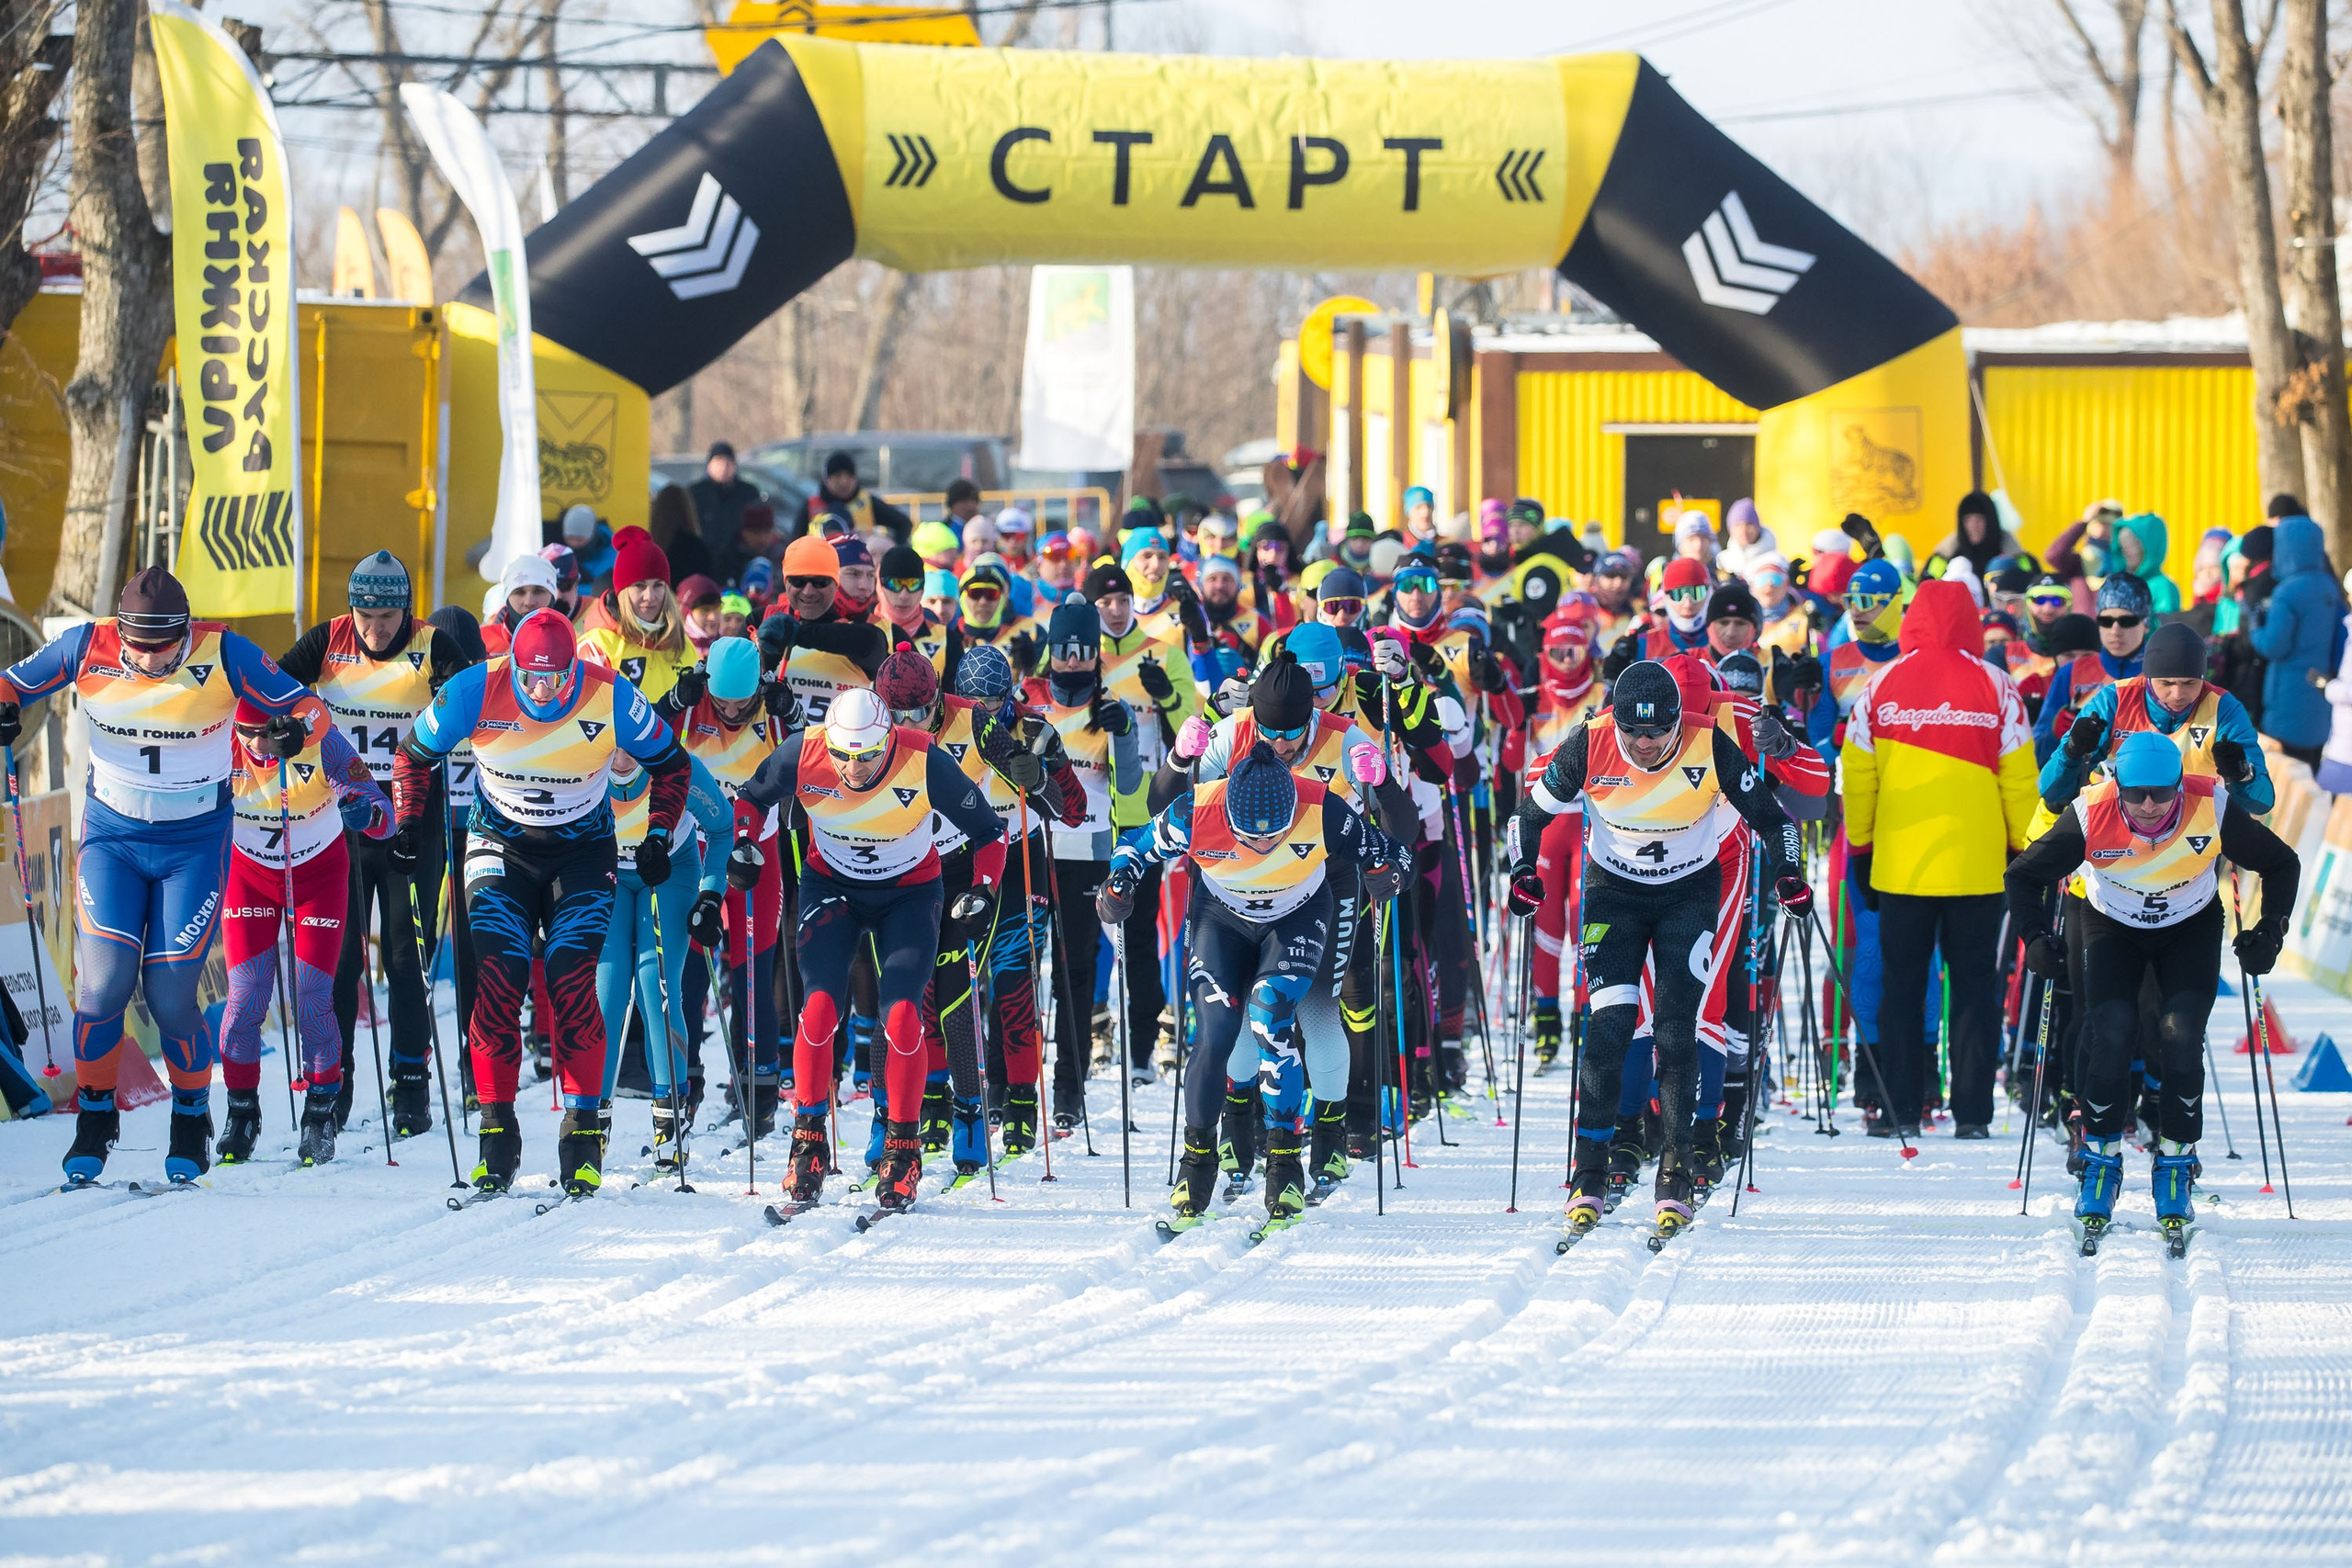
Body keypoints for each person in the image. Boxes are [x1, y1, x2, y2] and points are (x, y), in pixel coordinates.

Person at [0, 569, 327, 1186]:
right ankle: (95, 1117)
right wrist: (6, 706)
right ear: (121, 632)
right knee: (102, 991)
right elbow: (10, 682)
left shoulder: (224, 652)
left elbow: (309, 708)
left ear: (185, 631)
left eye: (166, 647)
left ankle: (191, 1113)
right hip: (113, 839)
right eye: (139, 647)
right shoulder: (87, 644)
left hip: (193, 845)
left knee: (172, 996)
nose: (152, 660)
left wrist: (295, 730)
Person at [392, 607, 691, 1198]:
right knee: (500, 978)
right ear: (514, 668)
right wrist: (407, 823)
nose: (543, 691)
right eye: (531, 678)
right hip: (499, 846)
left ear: (574, 670)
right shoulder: (475, 688)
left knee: (571, 978)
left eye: (556, 679)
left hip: (582, 852)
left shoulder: (611, 695)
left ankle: (583, 1135)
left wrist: (658, 834)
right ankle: (496, 1135)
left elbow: (673, 765)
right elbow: (412, 756)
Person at [1506, 660, 1807, 1243]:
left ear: (1678, 722)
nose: (1644, 744)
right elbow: (1527, 818)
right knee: (1610, 1027)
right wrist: (1523, 873)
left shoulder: (1708, 743)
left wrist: (1790, 875)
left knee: (1674, 1030)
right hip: (1614, 895)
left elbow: (1778, 822)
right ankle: (1589, 1172)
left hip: (1687, 897)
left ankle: (1676, 1174)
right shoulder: (1590, 742)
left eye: (1658, 731)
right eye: (1633, 732)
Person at [2006, 730, 2299, 1250]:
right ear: (2117, 785)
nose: (2147, 805)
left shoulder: (2211, 804)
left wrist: (2270, 931)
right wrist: (2035, 938)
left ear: (2178, 786)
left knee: (2180, 1035)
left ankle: (2176, 1163)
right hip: (2112, 924)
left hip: (2189, 926)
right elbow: (2023, 876)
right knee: (2112, 1031)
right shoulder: (2090, 811)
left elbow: (2281, 863)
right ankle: (2100, 1160)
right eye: (2136, 793)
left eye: (2160, 794)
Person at [1104, 739, 1408, 1233]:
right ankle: (1195, 1166)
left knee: (1271, 1016)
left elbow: (1394, 851)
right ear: (1229, 814)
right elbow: (1132, 845)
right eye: (1250, 837)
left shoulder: (1320, 806)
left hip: (1297, 915)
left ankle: (1284, 1168)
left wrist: (1389, 876)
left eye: (1276, 835)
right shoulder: (1196, 810)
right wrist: (1117, 886)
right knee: (1216, 1033)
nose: (1264, 845)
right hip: (1221, 917)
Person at [730, 688, 1005, 1212]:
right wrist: (745, 842)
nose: (854, 769)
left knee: (901, 1016)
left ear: (890, 740)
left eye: (869, 756)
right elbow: (750, 797)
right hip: (831, 887)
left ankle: (903, 1147)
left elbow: (991, 832)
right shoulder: (803, 751)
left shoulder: (923, 758)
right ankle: (808, 1141)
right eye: (843, 756)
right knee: (818, 1009)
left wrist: (984, 890)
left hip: (909, 894)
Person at [274, 552, 471, 1134]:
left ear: (405, 610)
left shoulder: (432, 644)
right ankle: (334, 1086)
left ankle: (411, 1084)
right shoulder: (327, 640)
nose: (375, 630)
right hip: (340, 825)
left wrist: (450, 697)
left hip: (412, 825)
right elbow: (272, 689)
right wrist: (285, 726)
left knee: (407, 960)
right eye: (366, 617)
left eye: (387, 617)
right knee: (338, 964)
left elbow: (471, 699)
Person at [1840, 579, 2039, 1139]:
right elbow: (2020, 781)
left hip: (1901, 866)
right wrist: (2025, 851)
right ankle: (1972, 1114)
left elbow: (1858, 777)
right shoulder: (1998, 685)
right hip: (1979, 868)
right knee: (1976, 989)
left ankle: (1901, 1107)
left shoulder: (1881, 684)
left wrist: (1862, 848)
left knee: (1902, 988)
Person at [214, 702, 391, 1168]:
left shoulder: (319, 740)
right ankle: (241, 1111)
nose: (257, 743)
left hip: (318, 877)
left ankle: (319, 1113)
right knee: (246, 996)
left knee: (312, 994)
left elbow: (383, 813)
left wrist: (364, 813)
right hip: (250, 877)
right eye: (247, 731)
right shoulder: (220, 742)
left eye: (267, 732)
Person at [1022, 595, 1141, 1129]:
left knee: (1074, 974)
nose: (1073, 660)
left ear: (1097, 654)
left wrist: (1126, 734)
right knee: (1019, 970)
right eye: (1064, 650)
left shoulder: (1111, 705)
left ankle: (1069, 1087)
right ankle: (1010, 1084)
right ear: (1050, 650)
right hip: (1029, 851)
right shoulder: (1026, 697)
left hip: (1087, 856)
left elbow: (1131, 787)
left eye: (1084, 651)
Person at [595, 741, 732, 1168]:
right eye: (613, 749)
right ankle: (590, 1119)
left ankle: (670, 1118)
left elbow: (723, 827)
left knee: (655, 987)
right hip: (608, 872)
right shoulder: (582, 760)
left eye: (631, 751)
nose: (621, 761)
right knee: (607, 993)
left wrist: (711, 895)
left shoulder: (676, 764)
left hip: (670, 872)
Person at [2038, 620, 2273, 818]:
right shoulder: (2114, 700)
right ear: (2148, 678)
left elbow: (2263, 803)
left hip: (2193, 835)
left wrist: (2242, 774)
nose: (2178, 694)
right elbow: (2050, 791)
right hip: (2117, 830)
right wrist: (2072, 752)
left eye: (2190, 683)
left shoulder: (2223, 708)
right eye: (2166, 683)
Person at [764, 532, 889, 727]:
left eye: (871, 576)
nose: (864, 586)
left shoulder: (883, 630)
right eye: (854, 574)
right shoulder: (766, 617)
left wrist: (798, 635)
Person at [2249, 513, 2342, 772]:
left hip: (2286, 699)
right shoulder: (2329, 586)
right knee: (2310, 774)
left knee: (2283, 776)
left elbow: (2274, 646)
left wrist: (2256, 627)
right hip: (2319, 692)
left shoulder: (2287, 591)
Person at [2035, 572, 2152, 762]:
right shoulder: (2071, 673)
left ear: (2145, 624)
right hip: (2085, 779)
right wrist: (2054, 733)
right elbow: (2038, 751)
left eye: (2126, 621)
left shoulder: (2162, 674)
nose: (2115, 630)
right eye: (2106, 621)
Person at [579, 534, 696, 705]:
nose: (650, 596)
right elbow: (587, 715)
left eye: (658, 585)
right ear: (622, 592)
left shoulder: (684, 645)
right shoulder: (597, 647)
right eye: (639, 586)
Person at [795, 449, 912, 544]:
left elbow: (904, 524)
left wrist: (888, 548)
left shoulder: (868, 502)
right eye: (838, 476)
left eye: (849, 476)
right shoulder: (811, 505)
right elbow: (794, 542)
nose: (844, 482)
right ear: (827, 479)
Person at [483, 552, 560, 658]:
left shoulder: (570, 641)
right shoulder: (482, 640)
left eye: (538, 591)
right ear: (507, 597)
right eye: (519, 592)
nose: (529, 602)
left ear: (552, 596)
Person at [688, 441, 761, 550]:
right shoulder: (695, 492)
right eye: (719, 462)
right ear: (709, 465)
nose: (723, 467)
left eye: (728, 462)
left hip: (740, 553)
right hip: (703, 551)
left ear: (734, 465)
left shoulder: (748, 492)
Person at [560, 504, 616, 594]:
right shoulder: (558, 555)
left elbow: (607, 590)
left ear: (593, 536)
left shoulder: (613, 558)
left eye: (580, 539)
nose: (574, 544)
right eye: (569, 538)